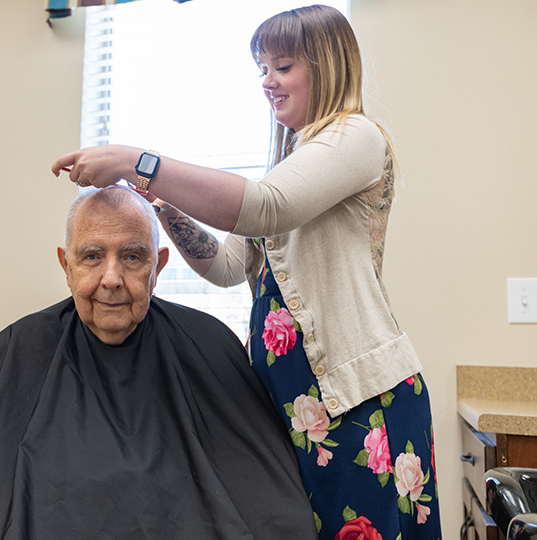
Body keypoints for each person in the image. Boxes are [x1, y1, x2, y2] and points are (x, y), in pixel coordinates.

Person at [51, 5, 441, 539]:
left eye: (282, 67)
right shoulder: (287, 164)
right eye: (262, 69)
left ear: (325, 66)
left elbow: (266, 208)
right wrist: (161, 203)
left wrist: (137, 161)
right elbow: (229, 266)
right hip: (297, 402)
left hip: (359, 399)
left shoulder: (357, 138)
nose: (267, 82)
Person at [0, 186, 318, 540]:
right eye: (92, 257)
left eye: (132, 257)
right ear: (66, 264)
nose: (111, 279)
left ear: (157, 265)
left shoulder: (208, 346)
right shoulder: (22, 349)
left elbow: (270, 502)